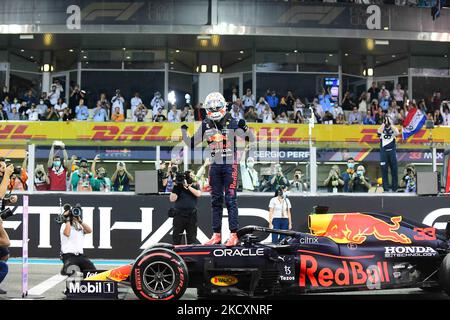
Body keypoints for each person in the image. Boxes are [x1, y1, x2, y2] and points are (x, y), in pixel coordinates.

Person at [181, 92, 252, 246]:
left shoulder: (233, 121)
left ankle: (234, 234)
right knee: (215, 201)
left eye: (216, 107)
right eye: (211, 108)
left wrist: (245, 128)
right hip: (214, 166)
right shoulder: (206, 123)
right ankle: (216, 235)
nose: (213, 111)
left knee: (231, 200)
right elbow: (192, 143)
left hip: (230, 165)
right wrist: (183, 131)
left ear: (223, 107)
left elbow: (251, 138)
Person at [60, 204, 96, 275]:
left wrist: (80, 221)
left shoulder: (79, 226)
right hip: (69, 256)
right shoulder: (64, 225)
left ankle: (66, 267)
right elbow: (67, 233)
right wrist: (67, 220)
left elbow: (89, 230)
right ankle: (66, 268)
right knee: (72, 272)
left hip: (80, 256)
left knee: (93, 272)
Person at [169, 171, 201, 245]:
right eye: (191, 176)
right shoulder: (178, 187)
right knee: (176, 237)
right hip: (179, 214)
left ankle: (192, 255)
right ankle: (176, 254)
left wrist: (187, 186)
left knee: (192, 238)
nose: (192, 177)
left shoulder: (195, 185)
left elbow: (198, 194)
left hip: (191, 215)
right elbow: (172, 199)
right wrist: (176, 187)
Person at [378, 115, 399, 192]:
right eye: (386, 120)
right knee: (384, 170)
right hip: (384, 152)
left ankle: (395, 188)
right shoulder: (381, 128)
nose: (387, 121)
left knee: (394, 170)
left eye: (388, 120)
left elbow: (397, 133)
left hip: (392, 151)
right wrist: (384, 123)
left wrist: (390, 124)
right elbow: (378, 132)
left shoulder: (393, 129)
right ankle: (386, 189)